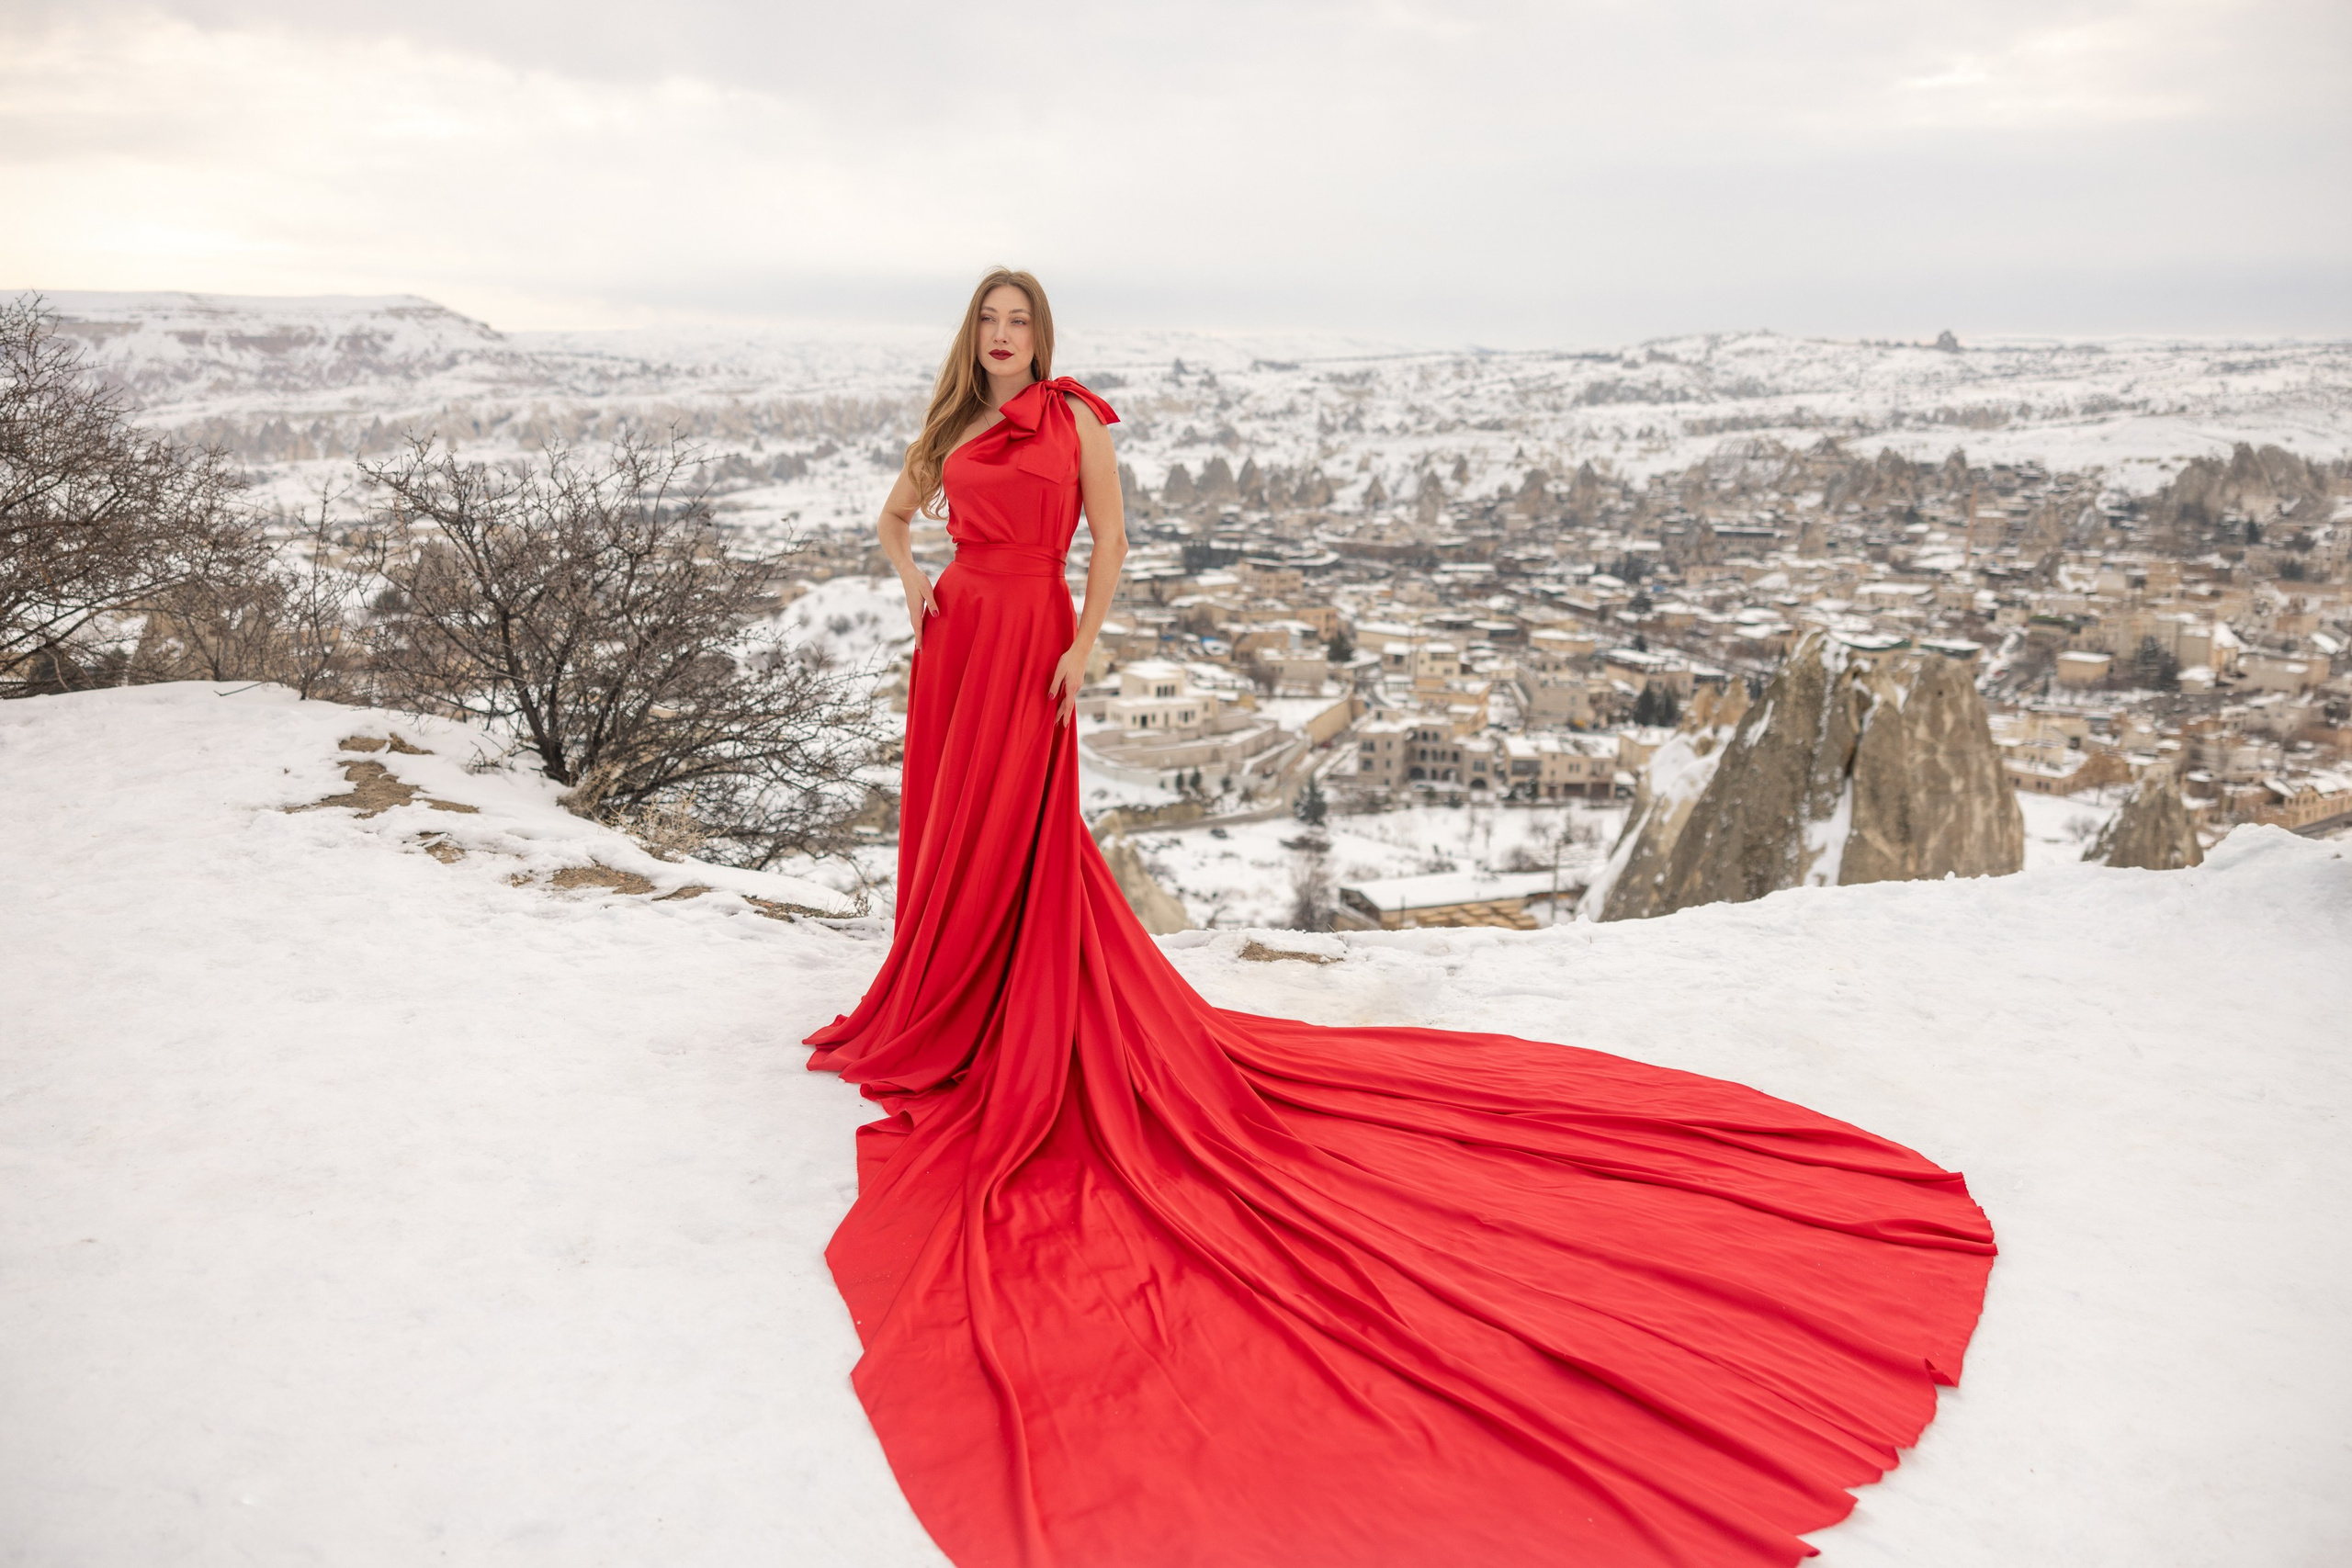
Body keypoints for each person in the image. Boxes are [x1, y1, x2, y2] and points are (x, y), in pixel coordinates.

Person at [805, 268, 1995, 1568]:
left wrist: (1086, 642)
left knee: (1022, 844)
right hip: (959, 641)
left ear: (1043, 336)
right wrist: (911, 579)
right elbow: (893, 511)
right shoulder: (952, 428)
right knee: (951, 839)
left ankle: (1010, 1010)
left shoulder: (1075, 420)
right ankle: (950, 998)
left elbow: (1118, 547)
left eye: (1018, 322)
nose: (1002, 338)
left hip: (1032, 638)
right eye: (988, 323)